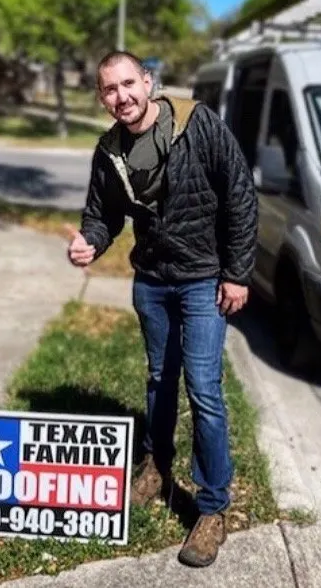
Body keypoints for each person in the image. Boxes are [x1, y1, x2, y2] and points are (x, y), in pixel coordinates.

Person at [66, 50, 258, 568]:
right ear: (101, 97)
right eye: (109, 89)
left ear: (148, 81)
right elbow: (101, 215)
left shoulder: (198, 124)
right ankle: (156, 467)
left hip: (203, 280)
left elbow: (240, 195)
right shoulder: (109, 150)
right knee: (158, 378)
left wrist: (237, 273)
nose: (121, 97)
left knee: (203, 387)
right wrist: (89, 243)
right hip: (152, 281)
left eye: (129, 83)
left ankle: (212, 507)